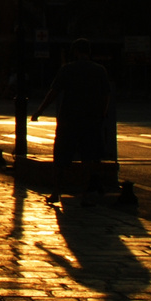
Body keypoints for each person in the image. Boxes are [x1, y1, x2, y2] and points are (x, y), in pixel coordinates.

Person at [32, 38, 111, 205]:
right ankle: (85, 193)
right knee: (88, 158)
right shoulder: (100, 70)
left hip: (68, 119)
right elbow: (106, 96)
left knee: (60, 157)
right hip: (91, 120)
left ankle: (56, 192)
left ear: (75, 52)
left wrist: (39, 111)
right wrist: (101, 115)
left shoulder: (67, 69)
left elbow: (53, 92)